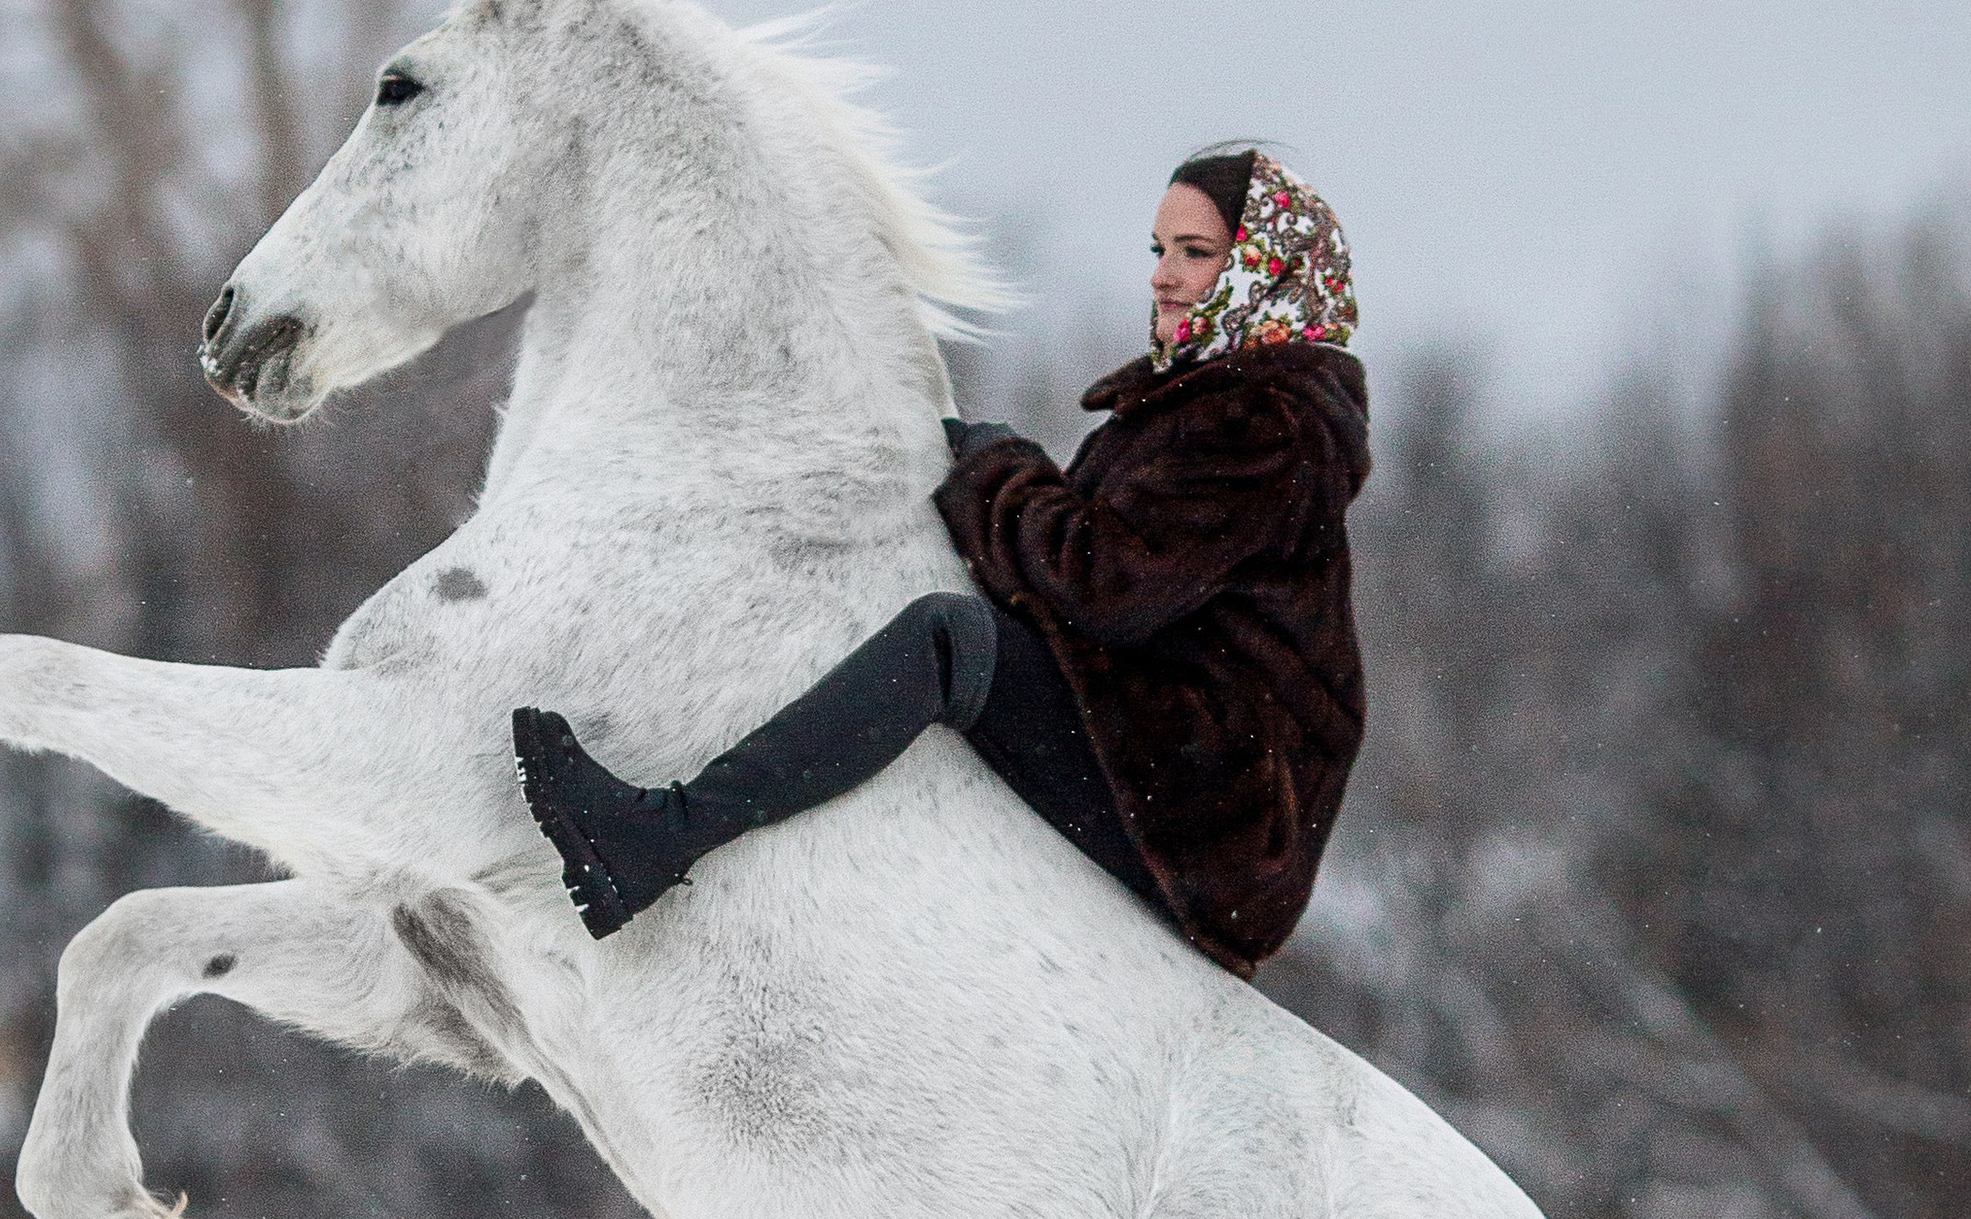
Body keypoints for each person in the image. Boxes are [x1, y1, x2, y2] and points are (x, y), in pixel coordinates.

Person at [510, 148, 1371, 978]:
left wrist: (993, 467)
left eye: (1195, 253)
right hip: (1161, 748)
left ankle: (658, 838)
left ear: (1267, 273)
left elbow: (1099, 584)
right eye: (1158, 249)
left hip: (1211, 811)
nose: (1161, 274)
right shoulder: (1205, 401)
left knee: (949, 641)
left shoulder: (1266, 424)